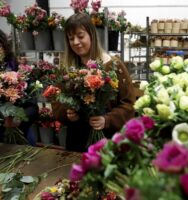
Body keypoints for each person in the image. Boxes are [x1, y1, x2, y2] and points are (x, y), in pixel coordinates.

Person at [52, 13, 135, 152]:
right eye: (71, 38)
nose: (76, 42)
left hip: (107, 141)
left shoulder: (113, 65)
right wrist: (68, 113)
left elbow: (129, 104)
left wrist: (107, 120)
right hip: (77, 142)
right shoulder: (67, 69)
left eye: (80, 36)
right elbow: (56, 102)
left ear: (92, 35)